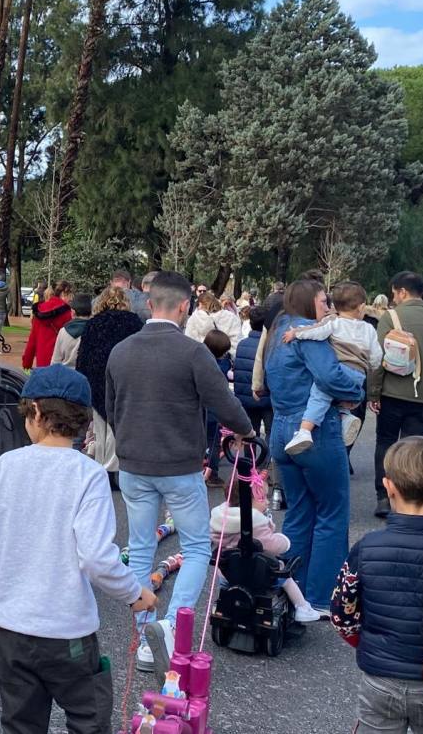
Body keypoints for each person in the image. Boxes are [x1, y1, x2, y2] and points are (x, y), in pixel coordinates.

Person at [0, 365, 156, 732]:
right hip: (68, 630)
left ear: (36, 412)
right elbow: (96, 558)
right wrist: (133, 593)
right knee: (88, 717)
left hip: (12, 629)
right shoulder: (89, 474)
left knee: (21, 723)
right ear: (83, 420)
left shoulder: (5, 467)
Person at [107, 271, 253, 680]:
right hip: (180, 465)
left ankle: (144, 634)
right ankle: (172, 627)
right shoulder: (192, 353)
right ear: (185, 306)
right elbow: (222, 401)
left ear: (150, 303)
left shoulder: (121, 351)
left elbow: (112, 406)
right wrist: (246, 430)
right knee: (197, 548)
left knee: (139, 547)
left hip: (134, 463)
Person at [331, 437, 423, 733]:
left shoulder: (368, 547)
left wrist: (365, 642)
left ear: (388, 487)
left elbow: (341, 612)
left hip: (381, 677)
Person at [265, 279, 365, 616]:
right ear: (310, 302)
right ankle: (323, 597)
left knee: (299, 511)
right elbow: (330, 376)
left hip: (281, 428)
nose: (328, 307)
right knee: (331, 513)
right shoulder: (310, 333)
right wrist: (357, 388)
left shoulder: (278, 330)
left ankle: (292, 592)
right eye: (324, 301)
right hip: (314, 431)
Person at [369, 271, 423, 519]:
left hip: (393, 392)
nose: (393, 298)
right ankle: (410, 498)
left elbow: (378, 360)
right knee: (413, 448)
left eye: (394, 293)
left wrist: (373, 394)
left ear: (402, 291)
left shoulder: (391, 317)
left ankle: (384, 497)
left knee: (386, 442)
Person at [281, 281, 381, 454]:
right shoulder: (369, 329)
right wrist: (371, 366)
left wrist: (296, 333)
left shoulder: (334, 322)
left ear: (335, 305)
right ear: (361, 307)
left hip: (339, 370)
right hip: (359, 374)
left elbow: (316, 331)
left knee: (319, 396)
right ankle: (345, 417)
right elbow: (377, 357)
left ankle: (305, 431)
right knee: (340, 400)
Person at [211, 473, 319, 623]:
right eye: (263, 498)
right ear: (248, 501)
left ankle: (223, 606)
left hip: (228, 573)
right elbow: (272, 545)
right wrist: (284, 541)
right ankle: (302, 608)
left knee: (226, 575)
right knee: (285, 576)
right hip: (257, 574)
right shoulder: (255, 524)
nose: (267, 502)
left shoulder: (222, 520)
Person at [75, 287, 143, 475]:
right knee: (119, 424)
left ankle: (101, 465)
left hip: (97, 377)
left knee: (99, 426)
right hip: (124, 378)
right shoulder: (134, 323)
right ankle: (116, 466)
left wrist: (84, 378)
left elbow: (83, 355)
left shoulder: (93, 324)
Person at [202, 329, 234, 487]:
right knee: (214, 442)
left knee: (202, 441)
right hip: (214, 409)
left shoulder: (199, 360)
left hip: (200, 408)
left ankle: (201, 470)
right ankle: (212, 474)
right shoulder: (222, 364)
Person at [235, 306, 273, 439]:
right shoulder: (271, 346)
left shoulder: (242, 344)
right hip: (267, 397)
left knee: (250, 432)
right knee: (270, 431)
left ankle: (249, 453)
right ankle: (268, 453)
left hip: (247, 397)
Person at [22, 280, 73, 370]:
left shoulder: (40, 310)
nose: (71, 299)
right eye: (69, 295)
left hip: (42, 361)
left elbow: (32, 340)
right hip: (61, 362)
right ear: (63, 294)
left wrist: (27, 362)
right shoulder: (68, 313)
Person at [185, 292, 243, 356]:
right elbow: (236, 341)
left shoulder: (194, 319)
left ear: (200, 304)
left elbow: (189, 342)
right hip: (223, 356)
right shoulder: (230, 317)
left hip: (200, 356)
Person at [51, 293, 91, 366]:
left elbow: (55, 360)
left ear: (73, 312)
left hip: (64, 371)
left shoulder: (63, 331)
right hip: (85, 372)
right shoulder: (94, 331)